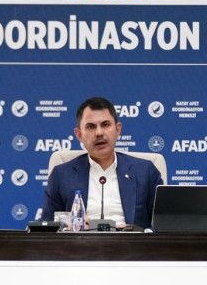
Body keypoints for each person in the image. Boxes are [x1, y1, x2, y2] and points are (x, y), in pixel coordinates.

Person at [41, 96, 163, 229]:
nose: (99, 133)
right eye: (90, 127)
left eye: (105, 124)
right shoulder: (61, 175)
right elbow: (46, 228)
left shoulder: (145, 171)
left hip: (131, 241)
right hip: (80, 241)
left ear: (118, 129)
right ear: (79, 135)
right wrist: (71, 225)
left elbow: (163, 227)